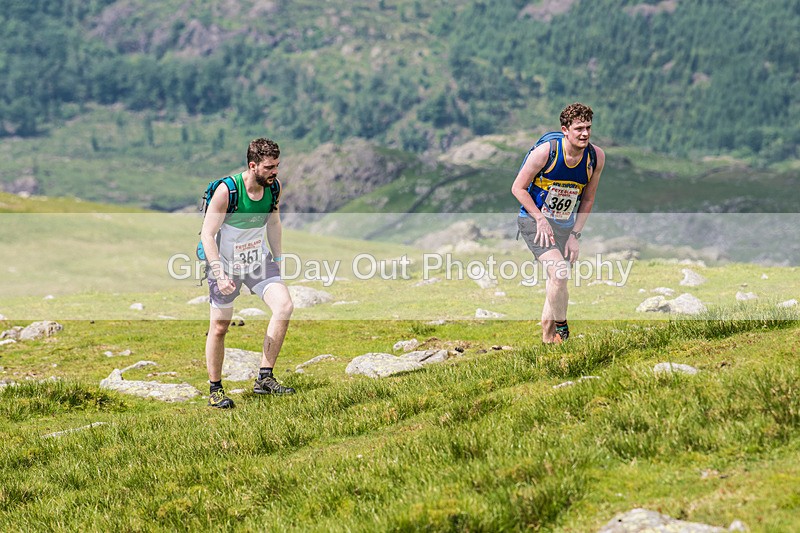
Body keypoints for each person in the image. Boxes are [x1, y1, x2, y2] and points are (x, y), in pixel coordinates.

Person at [200, 138, 295, 409]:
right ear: (253, 165)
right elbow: (208, 235)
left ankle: (265, 378)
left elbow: (274, 223)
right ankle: (215, 390)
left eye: (276, 165)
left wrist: (277, 260)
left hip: (257, 260)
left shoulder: (273, 187)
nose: (275, 171)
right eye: (269, 167)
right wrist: (219, 273)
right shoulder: (226, 191)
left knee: (284, 306)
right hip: (224, 264)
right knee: (219, 327)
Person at [511, 103, 606, 344]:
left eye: (588, 128)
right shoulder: (546, 152)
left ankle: (548, 339)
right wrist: (540, 219)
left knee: (557, 280)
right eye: (579, 129)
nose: (585, 133)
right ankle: (562, 328)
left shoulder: (596, 157)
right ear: (565, 130)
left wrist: (576, 234)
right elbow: (518, 188)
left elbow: (588, 198)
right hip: (534, 220)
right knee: (560, 273)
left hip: (565, 225)